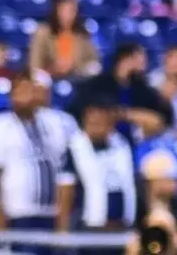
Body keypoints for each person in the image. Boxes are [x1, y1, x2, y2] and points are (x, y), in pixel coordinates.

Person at [0, 72, 69, 255]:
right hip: (18, 215)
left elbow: (62, 173)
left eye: (30, 90)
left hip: (49, 214)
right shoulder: (1, 127)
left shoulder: (52, 124)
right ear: (12, 96)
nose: (26, 96)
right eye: (21, 91)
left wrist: (62, 218)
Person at [57, 97, 136, 251]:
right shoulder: (75, 148)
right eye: (92, 121)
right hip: (89, 229)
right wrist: (62, 232)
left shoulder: (122, 144)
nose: (97, 125)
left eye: (102, 120)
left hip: (122, 228)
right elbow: (66, 190)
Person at [69, 44, 172, 147]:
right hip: (101, 142)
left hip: (136, 141)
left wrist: (128, 114)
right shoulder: (98, 84)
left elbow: (162, 117)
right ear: (125, 58)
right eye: (140, 57)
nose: (144, 61)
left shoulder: (142, 88)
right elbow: (82, 110)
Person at [29, 0, 100, 78]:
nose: (67, 15)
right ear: (56, 11)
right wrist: (53, 68)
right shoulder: (43, 32)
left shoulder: (82, 34)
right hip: (49, 76)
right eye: (64, 11)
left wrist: (75, 66)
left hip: (77, 77)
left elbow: (94, 60)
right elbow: (35, 63)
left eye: (71, 11)